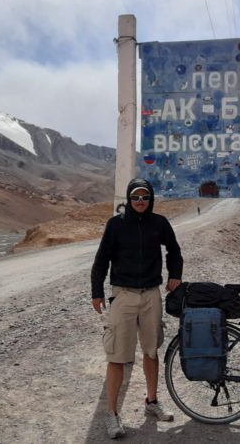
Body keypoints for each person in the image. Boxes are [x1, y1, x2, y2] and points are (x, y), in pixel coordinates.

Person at [91, 178, 183, 439]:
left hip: (152, 295)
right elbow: (101, 260)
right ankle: (112, 413)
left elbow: (174, 250)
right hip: (124, 295)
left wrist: (175, 274)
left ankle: (152, 402)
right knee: (117, 356)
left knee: (151, 351)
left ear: (150, 199)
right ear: (129, 200)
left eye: (144, 197)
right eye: (135, 197)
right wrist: (96, 291)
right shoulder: (116, 224)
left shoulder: (160, 223)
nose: (140, 201)